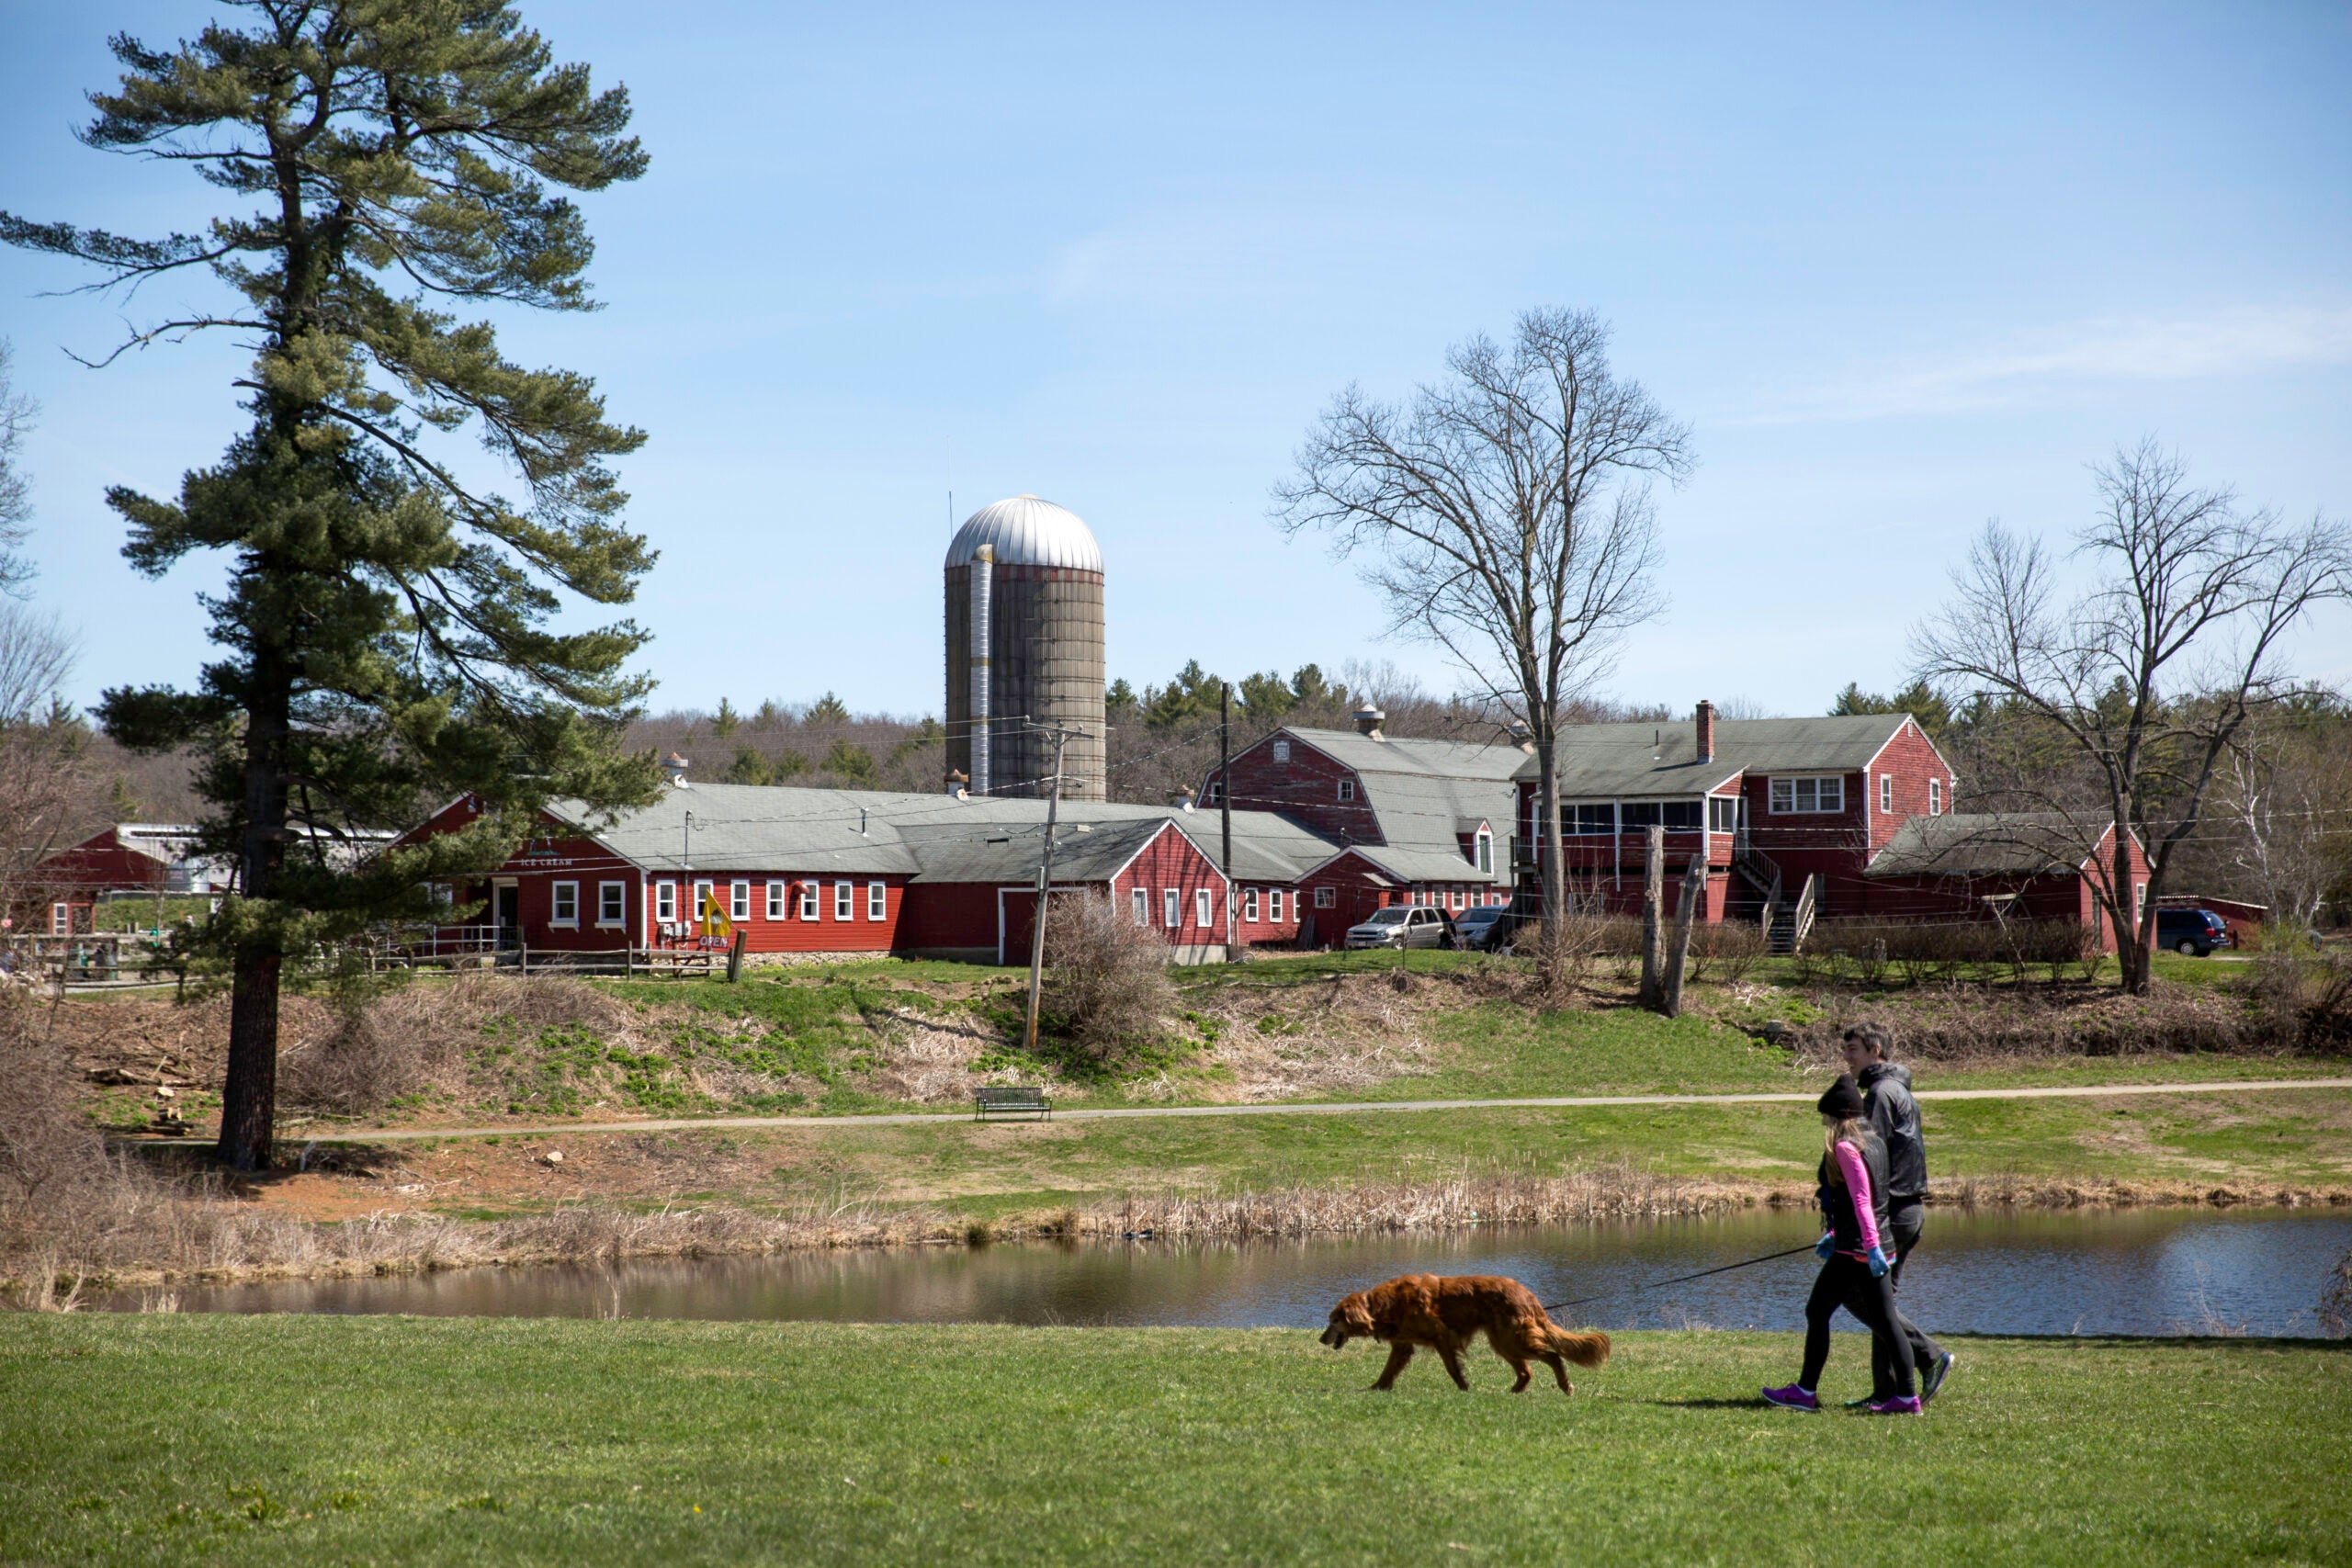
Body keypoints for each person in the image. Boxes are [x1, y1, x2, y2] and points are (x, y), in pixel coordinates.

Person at [1762, 1075, 1919, 1415]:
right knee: (1886, 1321)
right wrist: (1837, 1236)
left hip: (1861, 1251)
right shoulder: (1875, 1140)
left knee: (1818, 1311)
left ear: (1838, 1118)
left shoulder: (1847, 1147)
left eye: (1826, 1119)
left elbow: (1863, 1200)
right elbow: (1874, 1198)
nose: (1825, 1125)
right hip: (1870, 1244)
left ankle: (1805, 1392)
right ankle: (1907, 1398)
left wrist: (1868, 1245)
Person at [1844, 1022, 1954, 1403]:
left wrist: (1859, 1219)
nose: (1847, 1056)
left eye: (1854, 1049)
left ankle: (1930, 1355)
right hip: (1907, 1210)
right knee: (1881, 1300)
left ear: (1875, 1050)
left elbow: (1870, 1159)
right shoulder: (1897, 1089)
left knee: (1862, 1297)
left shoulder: (1879, 1093)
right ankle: (1886, 1392)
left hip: (1892, 1210)